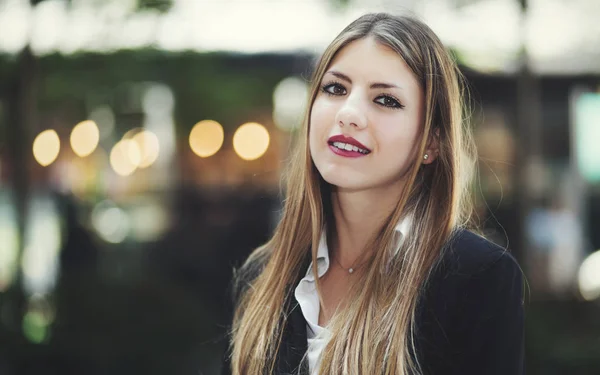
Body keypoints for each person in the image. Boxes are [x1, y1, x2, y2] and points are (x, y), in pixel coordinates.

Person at [221, 12, 524, 375]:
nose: (349, 114)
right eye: (335, 89)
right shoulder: (262, 276)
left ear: (432, 141)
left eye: (386, 100)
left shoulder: (478, 278)